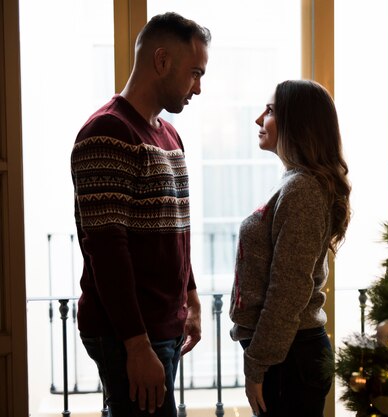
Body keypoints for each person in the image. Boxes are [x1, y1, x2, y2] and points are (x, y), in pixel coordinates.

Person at [70, 12, 211, 416]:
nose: (197, 88)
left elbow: (176, 227)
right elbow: (107, 250)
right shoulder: (107, 133)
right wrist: (136, 344)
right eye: (194, 73)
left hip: (163, 327)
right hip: (129, 334)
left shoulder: (169, 135)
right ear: (162, 61)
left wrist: (191, 297)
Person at [229, 79, 351, 417]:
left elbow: (288, 291)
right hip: (286, 353)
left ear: (297, 122)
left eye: (269, 111)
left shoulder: (302, 190)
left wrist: (256, 365)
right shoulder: (295, 183)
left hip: (288, 357)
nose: (258, 120)